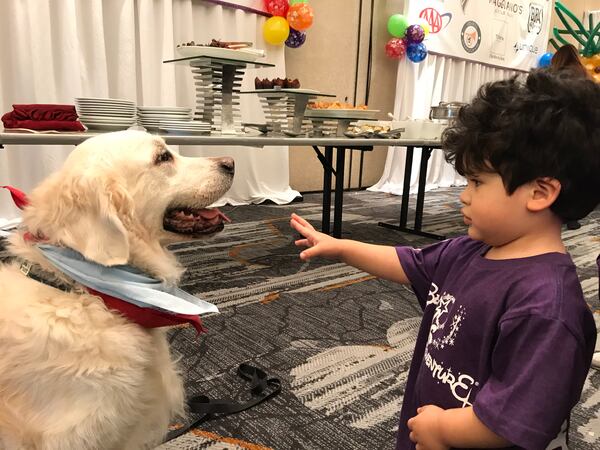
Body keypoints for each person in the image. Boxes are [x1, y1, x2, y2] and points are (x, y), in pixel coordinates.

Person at [290, 70, 599, 449]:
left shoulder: (546, 308)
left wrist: (442, 429)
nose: (463, 196)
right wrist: (341, 247)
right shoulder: (472, 250)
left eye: (477, 182)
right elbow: (408, 263)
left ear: (539, 193)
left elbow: (514, 420)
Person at [549, 43, 589, 230]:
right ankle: (572, 216)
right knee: (574, 174)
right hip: (581, 133)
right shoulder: (584, 77)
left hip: (555, 132)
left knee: (554, 173)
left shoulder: (551, 77)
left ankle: (551, 211)